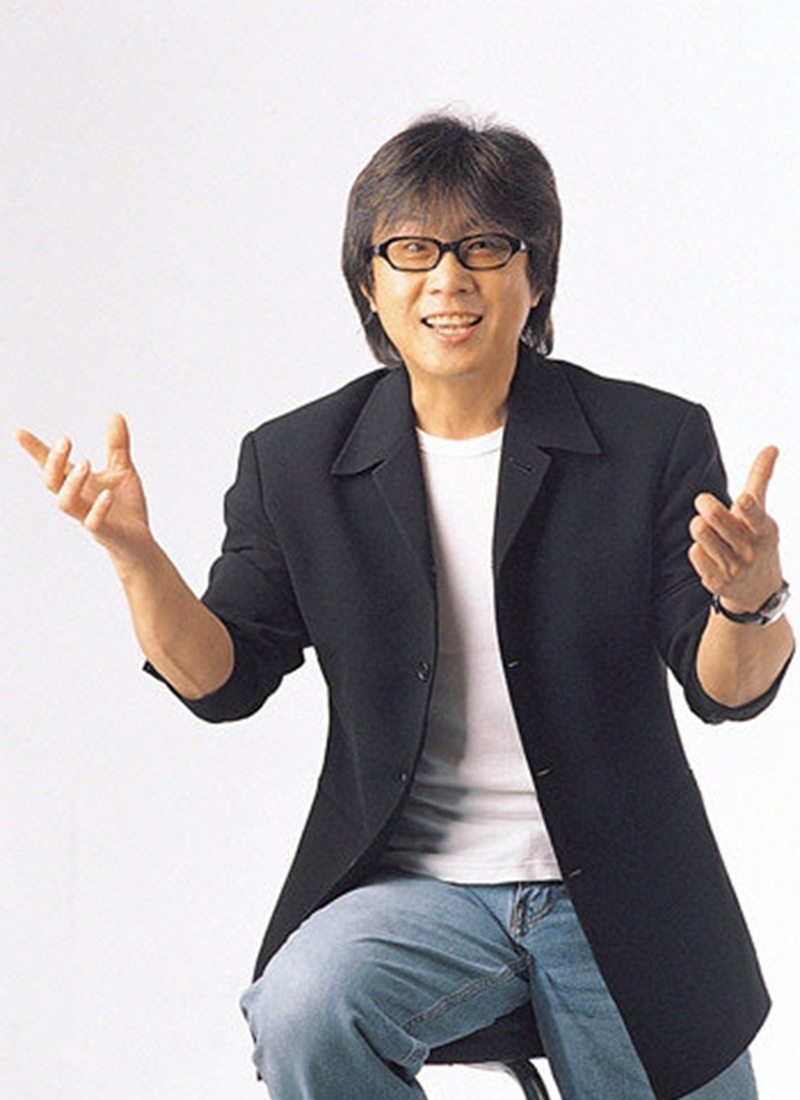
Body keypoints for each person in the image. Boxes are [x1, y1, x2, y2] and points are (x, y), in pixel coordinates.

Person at [17, 114, 794, 1100]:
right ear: (368, 283)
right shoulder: (297, 461)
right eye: (413, 250)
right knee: (304, 1004)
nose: (448, 280)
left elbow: (726, 690)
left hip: (628, 900)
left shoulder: (650, 438)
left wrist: (750, 600)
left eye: (484, 247)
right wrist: (136, 557)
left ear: (535, 275)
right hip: (418, 898)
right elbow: (223, 680)